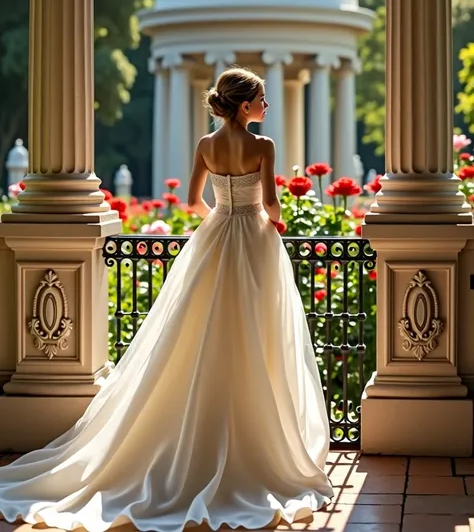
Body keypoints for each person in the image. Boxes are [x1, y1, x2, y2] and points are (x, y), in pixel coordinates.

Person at [0, 67, 333, 531]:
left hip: (214, 239)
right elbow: (273, 204)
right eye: (261, 98)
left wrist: (222, 217)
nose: (266, 105)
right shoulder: (263, 147)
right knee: (257, 334)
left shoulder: (205, 145)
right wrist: (264, 219)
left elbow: (194, 200)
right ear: (244, 105)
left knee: (200, 333)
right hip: (255, 242)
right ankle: (254, 439)